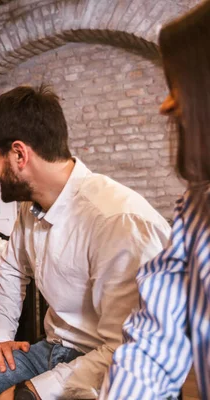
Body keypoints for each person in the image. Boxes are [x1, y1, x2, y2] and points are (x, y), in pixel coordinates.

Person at [0, 85, 171, 400]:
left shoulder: (119, 220)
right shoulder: (30, 207)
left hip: (106, 367)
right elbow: (11, 270)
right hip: (50, 350)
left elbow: (130, 352)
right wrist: (0, 338)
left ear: (19, 153)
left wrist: (29, 393)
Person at [102, 2, 210, 398]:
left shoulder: (117, 211)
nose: (166, 105)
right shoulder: (195, 210)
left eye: (178, 84)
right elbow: (154, 342)